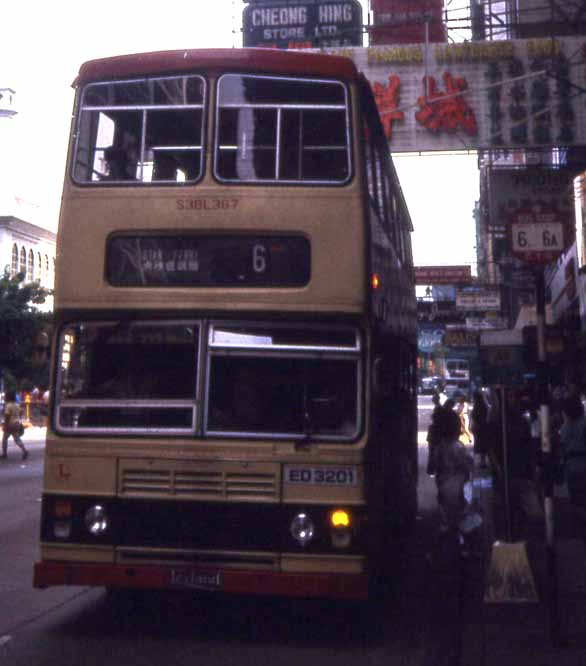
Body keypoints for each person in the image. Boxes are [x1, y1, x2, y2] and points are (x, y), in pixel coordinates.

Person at [430, 408, 475, 535]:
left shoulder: (440, 447)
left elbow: (433, 465)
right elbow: (469, 464)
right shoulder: (459, 448)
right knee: (462, 520)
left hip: (443, 486)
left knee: (446, 521)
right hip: (458, 489)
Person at [559, 394, 586, 543]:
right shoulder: (583, 423)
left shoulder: (565, 428)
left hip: (571, 467)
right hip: (582, 464)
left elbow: (562, 449)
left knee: (577, 501)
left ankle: (580, 530)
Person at [1, 390, 28, 460]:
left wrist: (5, 425)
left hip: (10, 424)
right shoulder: (17, 405)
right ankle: (24, 450)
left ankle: (4, 453)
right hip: (17, 424)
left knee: (4, 439)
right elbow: (21, 411)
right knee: (17, 438)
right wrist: (19, 418)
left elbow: (7, 416)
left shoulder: (8, 406)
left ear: (7, 398)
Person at [471, 389, 490, 468]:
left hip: (480, 427)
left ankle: (483, 462)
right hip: (481, 426)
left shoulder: (479, 405)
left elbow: (476, 416)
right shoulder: (483, 405)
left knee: (481, 445)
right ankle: (483, 461)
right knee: (482, 444)